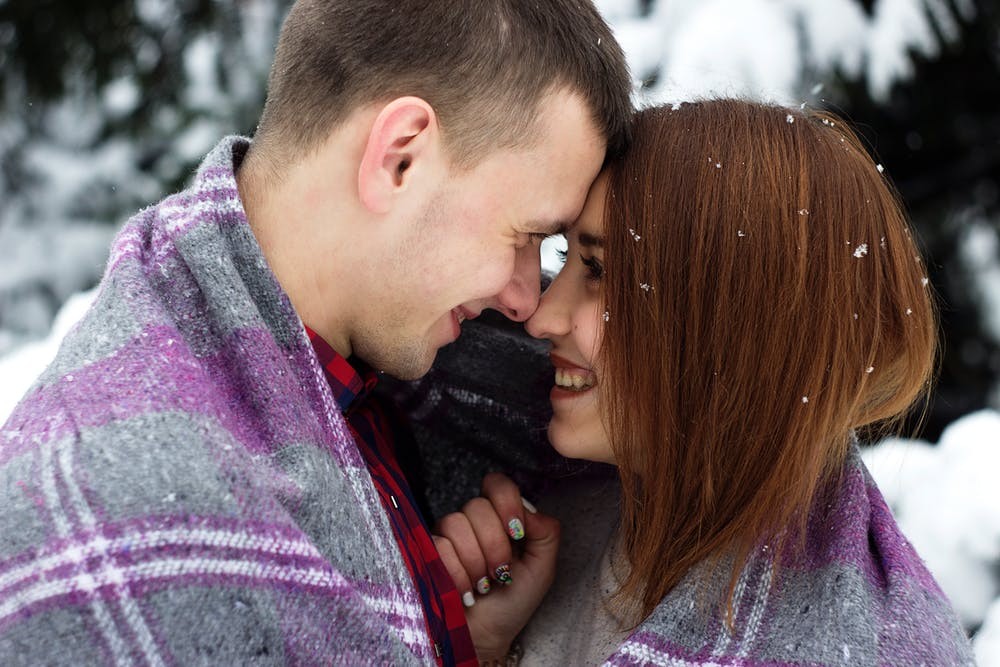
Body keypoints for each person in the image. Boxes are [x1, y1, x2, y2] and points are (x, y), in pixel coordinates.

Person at [0, 1, 632, 665]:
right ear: (400, 158)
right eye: (526, 235)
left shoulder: (350, 387)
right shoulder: (119, 516)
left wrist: (470, 649)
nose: (526, 300)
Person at [432, 100, 974, 665]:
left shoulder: (873, 651)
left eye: (600, 271)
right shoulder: (564, 518)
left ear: (735, 326)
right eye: (567, 256)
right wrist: (486, 648)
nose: (541, 317)